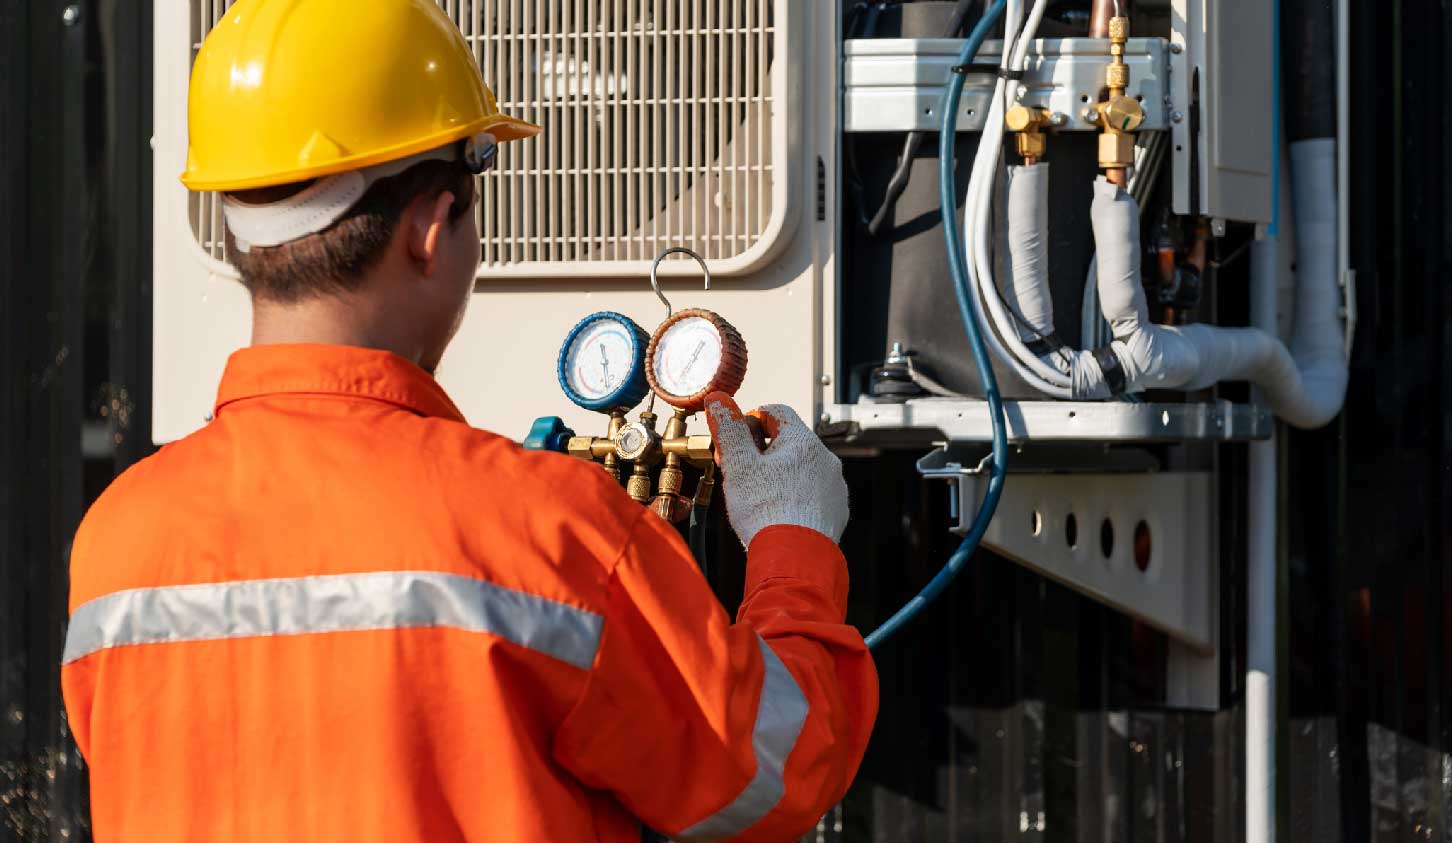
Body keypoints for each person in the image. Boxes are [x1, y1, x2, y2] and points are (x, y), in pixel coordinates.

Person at [59, 1, 877, 841]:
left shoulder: (117, 545)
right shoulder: (544, 529)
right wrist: (793, 544)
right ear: (429, 227)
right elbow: (777, 765)